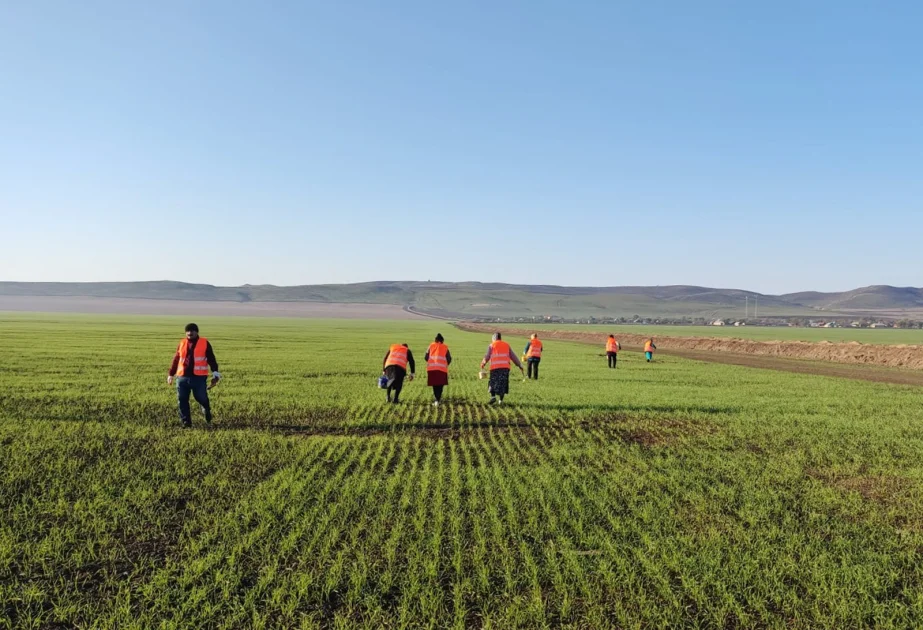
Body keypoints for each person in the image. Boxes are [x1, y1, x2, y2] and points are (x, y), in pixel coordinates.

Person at [167, 323, 221, 428]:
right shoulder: (182, 343)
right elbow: (176, 359)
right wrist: (171, 374)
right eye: (187, 331)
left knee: (200, 397)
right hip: (182, 377)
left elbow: (211, 358)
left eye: (192, 331)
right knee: (182, 399)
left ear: (197, 332)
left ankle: (206, 408)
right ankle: (186, 423)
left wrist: (215, 372)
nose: (189, 333)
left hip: (198, 378)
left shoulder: (204, 343)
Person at [480, 332, 524, 404]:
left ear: (493, 338)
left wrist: (483, 363)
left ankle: (493, 397)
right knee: (503, 383)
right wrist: (519, 365)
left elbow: (487, 356)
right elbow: (513, 357)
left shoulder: (492, 345)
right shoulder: (506, 345)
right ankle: (501, 400)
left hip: (494, 367)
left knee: (492, 382)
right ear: (500, 338)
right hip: (505, 368)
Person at [424, 333, 452, 406]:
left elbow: (426, 357)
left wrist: (431, 362)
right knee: (440, 385)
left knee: (435, 385)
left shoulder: (431, 346)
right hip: (442, 369)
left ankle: (437, 399)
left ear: (435, 340)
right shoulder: (445, 347)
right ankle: (438, 399)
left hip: (432, 369)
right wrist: (445, 364)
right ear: (442, 341)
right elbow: (449, 358)